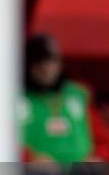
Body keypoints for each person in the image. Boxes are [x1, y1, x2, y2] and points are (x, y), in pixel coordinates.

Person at [20, 34, 109, 166]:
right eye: (38, 61)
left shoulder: (78, 96)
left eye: (51, 61)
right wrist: (29, 158)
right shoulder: (13, 98)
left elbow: (104, 141)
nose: (46, 68)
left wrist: (97, 158)